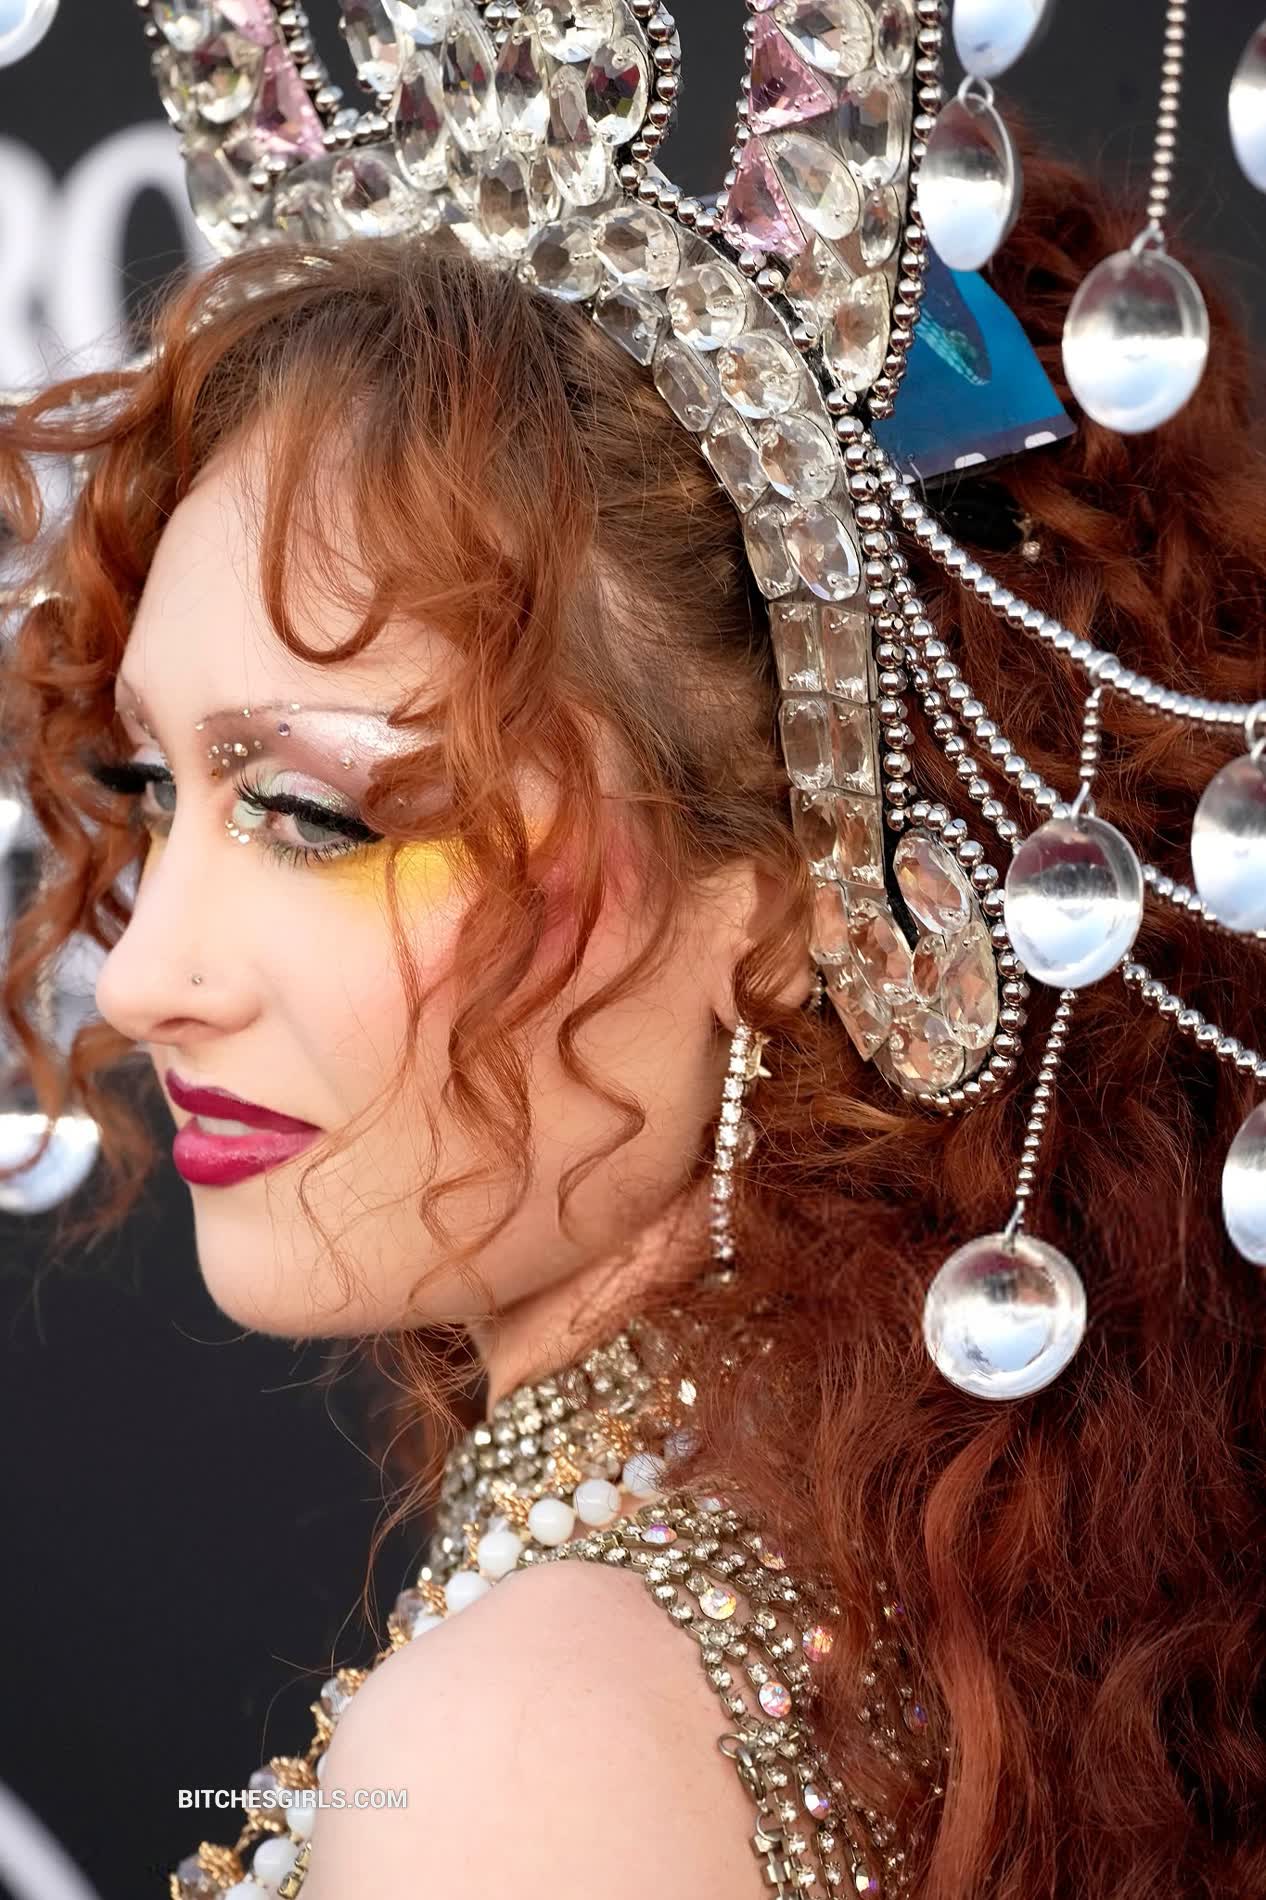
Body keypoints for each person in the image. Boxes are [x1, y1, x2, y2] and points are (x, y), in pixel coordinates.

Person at [3, 74, 1266, 1900]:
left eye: (317, 814)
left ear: (786, 902)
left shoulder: (517, 1753)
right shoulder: (928, 1589)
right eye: (150, 785)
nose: (142, 980)